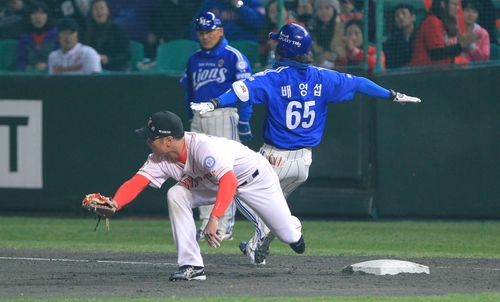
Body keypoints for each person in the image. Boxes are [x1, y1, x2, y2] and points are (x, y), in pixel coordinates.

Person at [191, 23, 420, 265]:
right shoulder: (324, 76)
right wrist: (392, 95)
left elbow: (242, 88)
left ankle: (284, 226)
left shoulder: (274, 77)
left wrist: (216, 102)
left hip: (273, 158)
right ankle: (256, 247)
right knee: (271, 206)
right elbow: (361, 83)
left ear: (282, 49)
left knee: (234, 188)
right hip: (303, 163)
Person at [103, 110, 305, 281]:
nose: (147, 141)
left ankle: (292, 224)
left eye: (151, 137)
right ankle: (192, 266)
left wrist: (214, 218)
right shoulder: (159, 158)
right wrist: (114, 203)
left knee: (288, 236)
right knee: (176, 193)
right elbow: (137, 182)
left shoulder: (203, 148)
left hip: (255, 180)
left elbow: (230, 181)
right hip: (213, 184)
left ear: (168, 140)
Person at [180, 12, 253, 242]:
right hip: (199, 117)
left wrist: (244, 120)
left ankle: (223, 225)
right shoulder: (194, 59)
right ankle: (205, 224)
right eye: (201, 32)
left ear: (220, 30)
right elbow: (188, 92)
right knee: (199, 172)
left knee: (224, 171)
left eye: (210, 31)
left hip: (224, 116)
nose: (205, 36)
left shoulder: (234, 57)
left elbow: (246, 93)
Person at [408, 0, 482, 67]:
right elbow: (436, 54)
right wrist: (461, 45)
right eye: (455, 4)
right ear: (443, 3)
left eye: (458, 5)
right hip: (423, 74)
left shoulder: (448, 23)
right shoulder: (432, 21)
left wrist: (464, 44)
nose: (458, 8)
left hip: (441, 72)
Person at [84, 0, 130, 71]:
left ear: (108, 11)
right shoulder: (88, 31)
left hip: (117, 68)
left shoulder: (117, 28)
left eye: (102, 8)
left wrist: (109, 59)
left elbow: (127, 54)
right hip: (96, 68)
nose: (99, 12)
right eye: (96, 9)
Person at [258, 0, 305, 68]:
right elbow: (261, 53)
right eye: (272, 12)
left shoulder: (298, 26)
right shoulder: (268, 33)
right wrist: (270, 46)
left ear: (286, 11)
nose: (277, 14)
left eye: (279, 10)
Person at [193, 0, 265, 43]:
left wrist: (238, 5)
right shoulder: (210, 3)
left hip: (243, 44)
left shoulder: (250, 2)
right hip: (216, 46)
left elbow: (258, 23)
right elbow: (196, 27)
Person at [17, 0, 59, 71]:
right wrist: (28, 67)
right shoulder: (24, 37)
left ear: (47, 16)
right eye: (34, 13)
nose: (38, 17)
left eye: (42, 13)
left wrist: (47, 65)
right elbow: (21, 59)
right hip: (30, 75)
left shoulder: (56, 34)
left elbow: (61, 56)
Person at [307, 0, 346, 69]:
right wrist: (320, 57)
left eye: (327, 8)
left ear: (334, 9)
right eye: (320, 8)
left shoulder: (343, 27)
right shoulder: (314, 27)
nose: (324, 12)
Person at [383, 4, 418, 69]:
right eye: (397, 15)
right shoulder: (392, 39)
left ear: (413, 17)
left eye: (404, 13)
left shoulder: (420, 34)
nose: (401, 17)